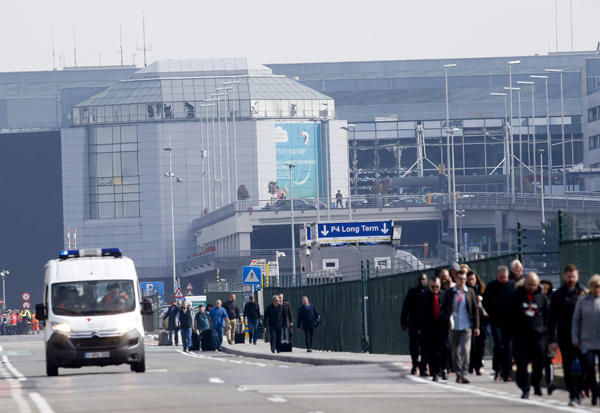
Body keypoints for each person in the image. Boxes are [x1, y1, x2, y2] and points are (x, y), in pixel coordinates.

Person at [549, 264, 587, 406]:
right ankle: (573, 395)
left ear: (577, 276)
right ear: (564, 276)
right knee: (568, 366)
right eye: (569, 276)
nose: (571, 279)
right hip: (565, 336)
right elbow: (552, 319)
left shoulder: (584, 293)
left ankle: (581, 387)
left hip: (583, 336)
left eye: (574, 276)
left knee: (585, 365)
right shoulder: (558, 295)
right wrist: (552, 340)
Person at [508, 272, 549, 399]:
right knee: (522, 364)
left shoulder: (542, 297)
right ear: (525, 283)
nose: (532, 287)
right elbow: (509, 315)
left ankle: (536, 383)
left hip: (538, 335)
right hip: (521, 336)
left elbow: (547, 316)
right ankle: (525, 388)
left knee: (539, 362)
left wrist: (545, 330)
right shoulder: (516, 296)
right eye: (529, 284)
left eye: (534, 285)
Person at [442, 270, 480, 384]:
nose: (462, 281)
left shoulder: (470, 292)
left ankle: (464, 374)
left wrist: (477, 327)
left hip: (466, 326)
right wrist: (447, 318)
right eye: (460, 279)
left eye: (464, 279)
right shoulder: (450, 293)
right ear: (456, 279)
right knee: (455, 352)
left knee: (466, 351)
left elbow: (475, 310)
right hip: (453, 326)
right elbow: (444, 308)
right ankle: (458, 373)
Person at [572, 274, 600, 406]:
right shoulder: (583, 301)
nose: (597, 289)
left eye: (599, 287)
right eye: (595, 287)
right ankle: (594, 393)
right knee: (589, 368)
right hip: (587, 341)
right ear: (590, 287)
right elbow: (576, 320)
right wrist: (575, 337)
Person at [483, 265, 515, 382]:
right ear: (497, 276)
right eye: (501, 277)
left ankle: (507, 372)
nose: (503, 279)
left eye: (505, 277)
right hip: (496, 321)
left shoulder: (512, 286)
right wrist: (491, 313)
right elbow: (485, 302)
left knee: (508, 347)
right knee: (498, 345)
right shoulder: (491, 286)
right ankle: (498, 370)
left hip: (509, 322)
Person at [417, 276, 449, 381]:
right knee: (432, 351)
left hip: (443, 327)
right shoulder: (424, 296)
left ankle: (443, 369)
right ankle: (435, 372)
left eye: (437, 286)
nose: (435, 288)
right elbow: (419, 313)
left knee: (445, 349)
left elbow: (449, 309)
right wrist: (421, 328)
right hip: (429, 328)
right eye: (433, 286)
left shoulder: (444, 295)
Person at [401, 272, 428, 375]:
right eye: (420, 279)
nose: (421, 281)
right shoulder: (412, 292)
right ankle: (415, 365)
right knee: (414, 346)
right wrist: (403, 322)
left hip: (426, 325)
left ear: (426, 280)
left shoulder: (429, 292)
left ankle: (423, 367)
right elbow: (405, 308)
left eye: (423, 279)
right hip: (414, 324)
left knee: (425, 347)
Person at [467, 270, 487, 375]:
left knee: (480, 344)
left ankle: (478, 366)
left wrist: (481, 299)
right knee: (472, 345)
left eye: (473, 279)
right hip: (470, 320)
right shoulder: (466, 291)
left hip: (482, 320)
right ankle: (471, 365)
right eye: (469, 280)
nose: (471, 282)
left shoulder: (482, 290)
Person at [540, 279, 556, 395]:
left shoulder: (553, 300)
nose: (545, 291)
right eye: (543, 289)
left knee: (549, 359)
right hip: (538, 333)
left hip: (550, 334)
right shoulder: (536, 299)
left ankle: (550, 382)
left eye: (547, 289)